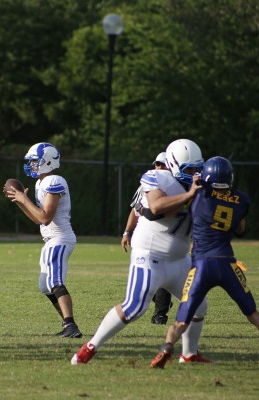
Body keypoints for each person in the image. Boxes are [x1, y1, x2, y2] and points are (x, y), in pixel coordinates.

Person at [150, 156, 259, 370]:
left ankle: (167, 346)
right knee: (254, 315)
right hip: (227, 263)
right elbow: (240, 230)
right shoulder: (242, 199)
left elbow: (179, 205)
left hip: (201, 265)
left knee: (182, 320)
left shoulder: (198, 194)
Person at [72, 139, 211, 365]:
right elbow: (156, 206)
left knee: (198, 304)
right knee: (134, 308)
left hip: (179, 260)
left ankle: (189, 353)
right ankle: (90, 347)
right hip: (150, 257)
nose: (195, 174)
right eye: (190, 169)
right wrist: (189, 196)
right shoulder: (158, 178)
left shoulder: (200, 184)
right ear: (174, 164)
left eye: (198, 168)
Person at [4, 142, 82, 338]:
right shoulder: (40, 183)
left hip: (60, 238)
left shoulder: (54, 180)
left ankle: (71, 326)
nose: (31, 165)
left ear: (46, 161)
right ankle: (67, 323)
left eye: (34, 161)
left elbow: (45, 217)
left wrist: (25, 199)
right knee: (45, 285)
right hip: (50, 239)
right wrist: (21, 202)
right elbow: (38, 220)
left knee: (55, 281)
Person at [121, 151, 173, 325]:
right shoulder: (147, 184)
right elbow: (135, 210)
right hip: (145, 236)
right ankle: (162, 304)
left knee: (164, 273)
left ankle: (160, 314)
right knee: (150, 277)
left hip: (168, 237)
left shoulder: (176, 185)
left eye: (163, 164)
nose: (159, 167)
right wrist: (127, 232)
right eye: (157, 164)